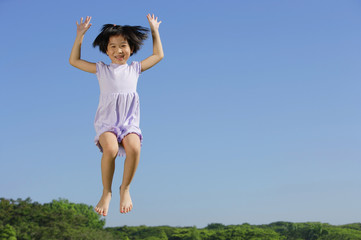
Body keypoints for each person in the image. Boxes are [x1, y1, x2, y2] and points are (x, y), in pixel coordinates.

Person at [69, 14, 164, 216]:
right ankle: (106, 192)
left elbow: (158, 55)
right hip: (107, 122)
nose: (118, 51)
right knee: (110, 149)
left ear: (131, 48)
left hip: (129, 121)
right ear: (106, 50)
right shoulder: (101, 69)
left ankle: (125, 188)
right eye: (112, 46)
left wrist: (155, 30)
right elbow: (74, 61)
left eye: (123, 46)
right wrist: (80, 36)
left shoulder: (135, 68)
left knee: (135, 148)